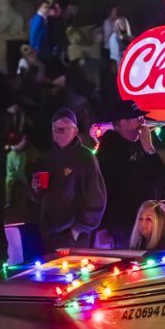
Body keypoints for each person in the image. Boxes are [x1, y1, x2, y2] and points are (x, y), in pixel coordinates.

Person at [30, 108, 107, 252]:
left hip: (73, 235)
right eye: (55, 129)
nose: (58, 133)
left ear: (75, 131)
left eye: (63, 129)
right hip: (48, 232)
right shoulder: (47, 158)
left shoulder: (86, 158)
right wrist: (36, 189)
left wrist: (78, 228)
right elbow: (39, 198)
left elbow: (96, 198)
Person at [96, 101, 165, 247]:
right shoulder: (110, 149)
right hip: (124, 224)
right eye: (137, 118)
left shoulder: (142, 144)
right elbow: (110, 187)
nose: (142, 121)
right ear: (123, 122)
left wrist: (149, 148)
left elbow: (160, 175)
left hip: (148, 220)